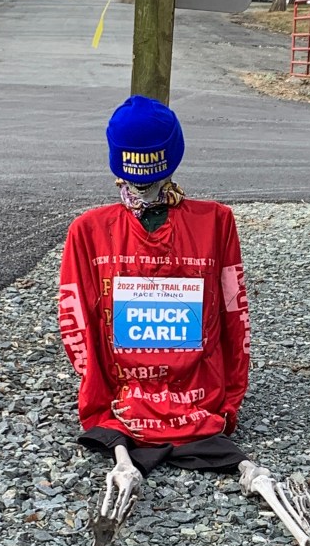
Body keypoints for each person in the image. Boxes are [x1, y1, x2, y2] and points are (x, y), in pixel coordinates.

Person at [58, 95, 251, 488]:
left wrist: (231, 395)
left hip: (184, 399)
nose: (142, 186)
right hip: (153, 402)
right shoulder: (89, 232)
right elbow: (77, 319)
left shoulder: (215, 223)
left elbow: (234, 314)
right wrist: (229, 397)